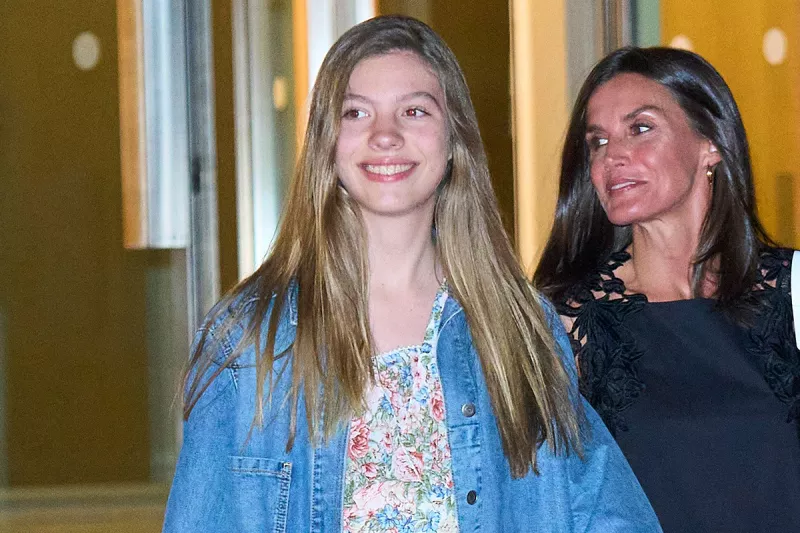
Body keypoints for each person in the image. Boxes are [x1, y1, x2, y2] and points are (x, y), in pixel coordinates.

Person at [163, 17, 660, 533]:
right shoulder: (248, 340)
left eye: (414, 110)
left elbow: (604, 511)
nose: (385, 135)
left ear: (453, 141)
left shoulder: (518, 329)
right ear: (327, 144)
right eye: (356, 112)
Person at [535, 46, 800, 533]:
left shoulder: (792, 291)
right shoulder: (566, 320)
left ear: (711, 143)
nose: (613, 155)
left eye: (640, 128)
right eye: (597, 142)